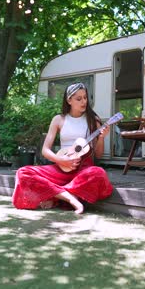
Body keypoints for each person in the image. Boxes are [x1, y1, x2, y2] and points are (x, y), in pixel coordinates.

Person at [12, 83, 114, 214]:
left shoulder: (93, 120)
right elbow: (45, 150)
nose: (83, 102)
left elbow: (98, 155)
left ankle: (55, 196)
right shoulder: (58, 119)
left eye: (85, 97)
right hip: (60, 167)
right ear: (69, 100)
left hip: (82, 170)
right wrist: (60, 160)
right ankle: (70, 198)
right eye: (78, 99)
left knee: (98, 173)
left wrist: (101, 138)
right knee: (23, 172)